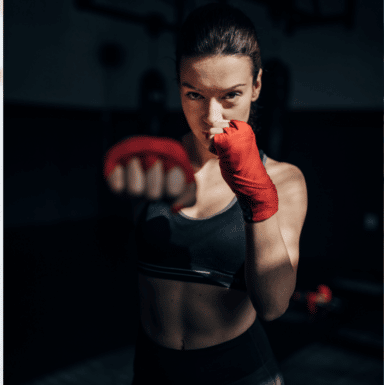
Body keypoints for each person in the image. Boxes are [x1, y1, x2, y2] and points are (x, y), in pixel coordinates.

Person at [104, 3, 307, 384]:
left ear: (257, 86)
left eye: (230, 95)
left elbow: (274, 304)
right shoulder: (160, 168)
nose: (212, 118)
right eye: (194, 94)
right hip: (153, 370)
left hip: (240, 373)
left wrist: (256, 197)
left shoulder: (284, 179)